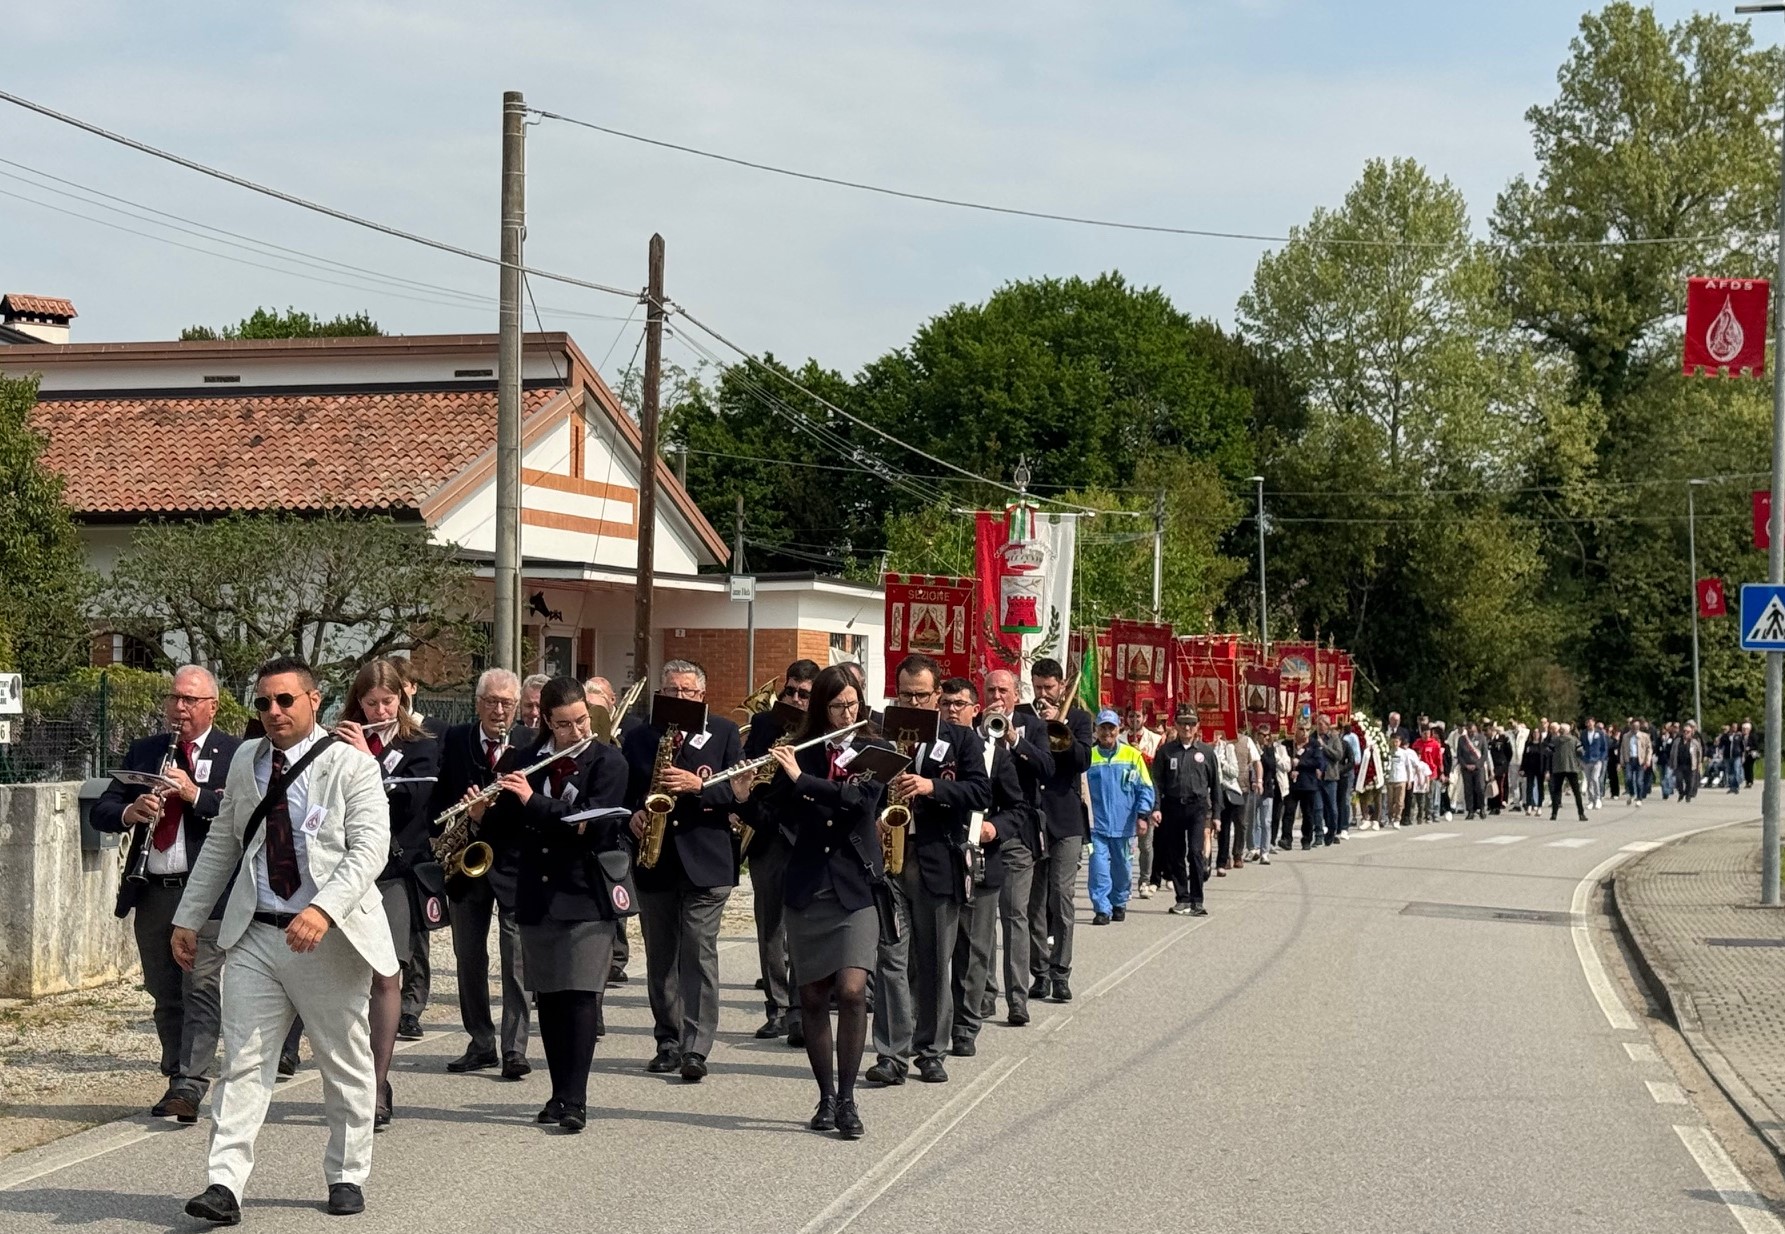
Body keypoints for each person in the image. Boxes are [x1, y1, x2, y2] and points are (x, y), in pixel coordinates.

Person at [172, 656, 394, 1223]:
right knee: (244, 1061)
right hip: (257, 933)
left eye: (285, 700)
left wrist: (323, 909)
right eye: (264, 702)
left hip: (327, 938)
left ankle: (346, 1173)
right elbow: (224, 841)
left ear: (314, 700)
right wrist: (188, 916)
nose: (274, 711)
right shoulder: (247, 760)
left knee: (343, 1059)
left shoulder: (351, 766)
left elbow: (370, 849)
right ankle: (223, 1184)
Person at [474, 677, 631, 1132]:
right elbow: (506, 829)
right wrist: (483, 813)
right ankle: (558, 1092)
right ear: (546, 721)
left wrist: (534, 802)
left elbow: (595, 825)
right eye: (565, 725)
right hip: (538, 894)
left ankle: (575, 1098)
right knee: (552, 998)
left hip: (586, 894)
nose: (577, 732)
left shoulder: (609, 761)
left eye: (582, 721)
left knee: (580, 995)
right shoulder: (524, 761)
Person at [90, 665, 240, 1123]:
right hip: (154, 889)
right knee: (164, 990)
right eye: (174, 698)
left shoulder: (235, 753)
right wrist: (132, 810)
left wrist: (195, 795)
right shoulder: (147, 749)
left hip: (205, 892)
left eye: (191, 700)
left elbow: (244, 813)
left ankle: (190, 1083)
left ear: (212, 706)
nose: (180, 708)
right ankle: (176, 1073)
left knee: (200, 987)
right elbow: (103, 808)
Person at [749, 666, 884, 1139]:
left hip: (855, 886)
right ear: (821, 709)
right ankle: (825, 1097)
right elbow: (772, 815)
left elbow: (859, 802)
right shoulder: (800, 751)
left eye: (853, 704)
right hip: (808, 886)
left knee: (851, 990)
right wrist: (742, 796)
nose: (847, 713)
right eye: (837, 706)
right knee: (811, 996)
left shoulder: (876, 749)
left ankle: (848, 1098)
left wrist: (800, 778)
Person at [866, 655, 993, 1086]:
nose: (914, 703)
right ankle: (891, 1053)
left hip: (936, 859)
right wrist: (875, 814)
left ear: (938, 695)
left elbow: (980, 792)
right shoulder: (883, 736)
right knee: (891, 958)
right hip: (890, 858)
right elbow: (862, 784)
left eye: (922, 695)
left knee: (935, 960)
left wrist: (931, 786)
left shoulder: (961, 739)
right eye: (906, 695)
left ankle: (931, 1050)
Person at [622, 660, 744, 1082]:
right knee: (661, 955)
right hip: (656, 859)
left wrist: (700, 786)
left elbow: (740, 792)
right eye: (671, 691)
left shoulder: (724, 732)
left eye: (687, 691)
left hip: (706, 859)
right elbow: (622, 793)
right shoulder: (640, 736)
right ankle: (668, 1040)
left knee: (697, 948)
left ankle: (696, 1046)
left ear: (702, 696)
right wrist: (632, 816)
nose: (679, 698)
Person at [332, 658, 439, 1129]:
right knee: (341, 978)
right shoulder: (338, 741)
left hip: (395, 871)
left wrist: (368, 760)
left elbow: (411, 804)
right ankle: (349, 1076)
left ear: (402, 699)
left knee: (385, 973)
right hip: (344, 870)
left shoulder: (420, 745)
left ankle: (378, 1083)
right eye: (371, 703)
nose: (380, 711)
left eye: (388, 702)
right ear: (358, 702)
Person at [429, 668, 533, 1079]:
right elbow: (439, 798)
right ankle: (481, 1041)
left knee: (515, 958)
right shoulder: (456, 739)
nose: (499, 710)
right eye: (491, 701)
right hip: (467, 860)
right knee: (468, 957)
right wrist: (468, 813)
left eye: (507, 702)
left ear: (517, 706)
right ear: (478, 704)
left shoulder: (529, 743)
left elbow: (534, 806)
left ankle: (515, 1047)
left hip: (513, 863)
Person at [937, 678, 1022, 1058]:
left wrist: (994, 828)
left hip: (981, 861)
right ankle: (930, 1026)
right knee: (933, 950)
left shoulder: (994, 755)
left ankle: (965, 1026)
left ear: (975, 709)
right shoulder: (928, 749)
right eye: (945, 703)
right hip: (936, 860)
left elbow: (1018, 809)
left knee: (973, 951)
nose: (952, 710)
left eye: (960, 703)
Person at [739, 658, 820, 1044]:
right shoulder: (763, 724)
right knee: (769, 926)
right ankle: (776, 1007)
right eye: (789, 691)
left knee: (802, 927)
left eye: (804, 694)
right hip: (767, 833)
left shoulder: (820, 729)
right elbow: (748, 766)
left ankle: (800, 1011)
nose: (795, 700)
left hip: (804, 835)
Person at [980, 669, 1053, 1025]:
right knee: (981, 919)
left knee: (1013, 914)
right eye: (991, 690)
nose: (996, 696)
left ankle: (1017, 998)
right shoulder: (974, 725)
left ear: (1015, 695)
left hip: (1017, 834)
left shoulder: (1032, 726)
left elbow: (1047, 768)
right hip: (980, 831)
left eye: (1003, 691)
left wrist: (1013, 739)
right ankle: (984, 994)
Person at [1026, 658, 1092, 1005]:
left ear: (1061, 686)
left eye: (1048, 688)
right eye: (1037, 687)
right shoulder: (1024, 716)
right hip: (1032, 819)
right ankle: (1039, 972)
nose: (1042, 694)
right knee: (1033, 902)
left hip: (1066, 820)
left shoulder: (1079, 719)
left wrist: (1059, 726)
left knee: (1061, 896)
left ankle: (1061, 972)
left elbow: (1083, 761)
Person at [1086, 709, 1154, 924]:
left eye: (1111, 728)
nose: (1107, 732)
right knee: (1098, 868)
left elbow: (1146, 788)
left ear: (1118, 729)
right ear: (1096, 730)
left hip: (1124, 825)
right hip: (1095, 826)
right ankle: (1102, 909)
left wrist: (1143, 815)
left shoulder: (1132, 755)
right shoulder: (1088, 756)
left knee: (1122, 869)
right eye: (1103, 728)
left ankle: (1119, 902)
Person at [1150, 709, 1215, 915]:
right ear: (1176, 725)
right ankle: (1182, 898)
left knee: (1195, 852)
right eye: (1183, 723)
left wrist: (1217, 816)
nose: (1187, 727)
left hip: (1197, 808)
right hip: (1172, 806)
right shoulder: (1166, 752)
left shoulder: (1206, 752)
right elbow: (1156, 783)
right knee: (1175, 853)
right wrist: (1156, 808)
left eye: (1191, 723)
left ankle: (1197, 899)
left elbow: (1215, 784)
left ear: (1197, 726)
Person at [1121, 706, 1162, 897]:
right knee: (1125, 846)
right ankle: (1124, 883)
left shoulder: (1155, 739)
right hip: (1124, 796)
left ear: (1145, 717)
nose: (1134, 720)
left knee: (1145, 845)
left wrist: (1141, 755)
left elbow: (1158, 769)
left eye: (1138, 716)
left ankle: (1145, 880)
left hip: (1145, 794)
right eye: (1131, 716)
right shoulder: (1120, 738)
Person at [1292, 724, 1327, 848]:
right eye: (1301, 729)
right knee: (1289, 812)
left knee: (1308, 813)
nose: (1305, 732)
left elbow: (1317, 762)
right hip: (1293, 784)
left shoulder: (1314, 744)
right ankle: (1286, 839)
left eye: (1307, 730)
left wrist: (1300, 763)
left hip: (1308, 783)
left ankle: (1307, 839)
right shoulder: (1290, 744)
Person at [1249, 722, 1279, 862]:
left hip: (1266, 789)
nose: (1266, 738)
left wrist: (1261, 754)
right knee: (1253, 822)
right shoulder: (1251, 747)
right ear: (1257, 735)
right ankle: (1254, 848)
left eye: (1268, 735)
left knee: (1266, 822)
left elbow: (1272, 766)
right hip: (1252, 788)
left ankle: (1264, 851)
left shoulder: (1269, 749)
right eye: (1263, 735)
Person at [1549, 722, 1588, 822]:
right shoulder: (1574, 740)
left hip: (1558, 768)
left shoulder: (1554, 740)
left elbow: (1548, 751)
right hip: (1572, 767)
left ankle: (1554, 814)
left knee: (1557, 791)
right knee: (1576, 792)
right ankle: (1581, 814)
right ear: (1568, 731)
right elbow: (1581, 752)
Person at [1383, 731, 1420, 827]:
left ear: (1400, 742)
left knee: (1400, 801)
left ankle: (1397, 818)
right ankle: (1390, 817)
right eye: (1393, 741)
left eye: (1397, 741)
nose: (1395, 744)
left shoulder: (1404, 753)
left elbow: (1408, 767)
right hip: (1390, 780)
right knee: (1390, 801)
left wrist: (1409, 780)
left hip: (1401, 779)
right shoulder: (1387, 752)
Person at [1413, 725, 1445, 823]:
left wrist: (1441, 773)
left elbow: (1439, 760)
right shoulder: (1417, 743)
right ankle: (1420, 814)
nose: (1426, 735)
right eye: (1424, 733)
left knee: (1430, 795)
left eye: (1428, 733)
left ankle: (1430, 814)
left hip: (1431, 773)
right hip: (1419, 774)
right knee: (1419, 795)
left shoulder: (1435, 744)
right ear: (1421, 733)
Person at [1457, 722, 1487, 820]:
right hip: (1466, 768)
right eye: (1469, 730)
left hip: (1478, 768)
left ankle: (1482, 808)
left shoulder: (1482, 738)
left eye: (1473, 731)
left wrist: (1477, 765)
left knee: (1480, 788)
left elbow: (1485, 755)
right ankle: (1470, 810)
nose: (1471, 732)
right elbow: (1459, 755)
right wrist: (1465, 765)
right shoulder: (1462, 739)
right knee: (1468, 790)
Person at [1623, 719, 1653, 807]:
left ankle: (1639, 798)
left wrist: (1648, 760)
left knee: (1639, 781)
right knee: (1628, 779)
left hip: (1640, 760)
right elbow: (1622, 748)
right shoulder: (1626, 736)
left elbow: (1649, 749)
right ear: (1631, 726)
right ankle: (1632, 794)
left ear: (1639, 727)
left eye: (1637, 726)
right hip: (1629, 760)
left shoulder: (1644, 736)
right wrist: (1622, 760)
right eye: (1634, 726)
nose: (1635, 728)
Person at [1672, 721, 1704, 802]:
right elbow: (1672, 752)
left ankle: (1688, 796)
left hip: (1691, 765)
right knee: (1678, 780)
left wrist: (1699, 763)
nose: (1686, 733)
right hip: (1679, 764)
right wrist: (1672, 762)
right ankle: (1681, 793)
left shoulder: (1695, 742)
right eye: (1684, 731)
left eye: (1688, 731)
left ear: (1691, 732)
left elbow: (1699, 753)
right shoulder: (1677, 741)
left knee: (1690, 781)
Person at [1581, 718, 1608, 809]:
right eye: (1587, 722)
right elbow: (1581, 746)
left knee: (1595, 778)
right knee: (1589, 781)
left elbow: (1604, 747)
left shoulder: (1600, 733)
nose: (1589, 724)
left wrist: (1601, 758)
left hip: (1597, 760)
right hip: (1586, 760)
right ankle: (1591, 800)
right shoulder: (1583, 733)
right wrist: (1582, 757)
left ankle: (1598, 798)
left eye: (1591, 722)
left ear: (1594, 723)